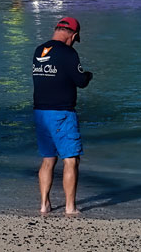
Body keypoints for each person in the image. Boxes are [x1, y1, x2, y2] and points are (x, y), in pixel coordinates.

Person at [33, 16, 92, 216]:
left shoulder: (39, 50)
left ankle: (44, 204)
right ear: (73, 35)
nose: (74, 41)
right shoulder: (68, 53)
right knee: (71, 159)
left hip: (40, 113)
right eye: (75, 38)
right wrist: (89, 75)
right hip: (62, 113)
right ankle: (70, 207)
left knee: (48, 159)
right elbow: (81, 81)